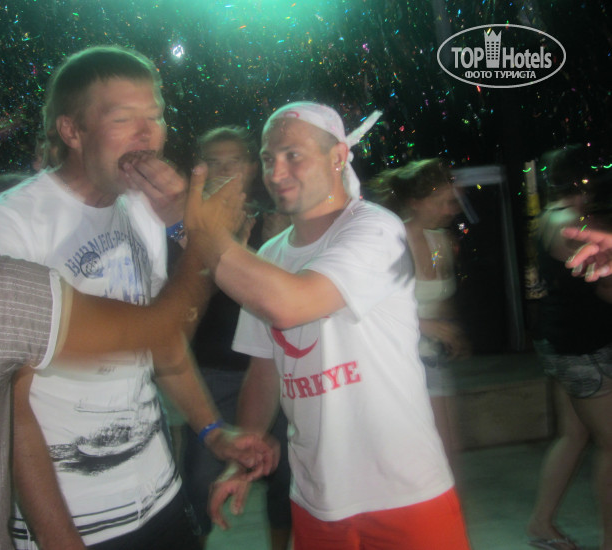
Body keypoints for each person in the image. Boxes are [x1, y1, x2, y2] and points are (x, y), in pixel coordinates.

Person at [0, 43, 272, 550]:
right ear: (71, 130)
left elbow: (161, 341)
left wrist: (212, 429)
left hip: (160, 493)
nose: (147, 132)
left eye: (155, 115)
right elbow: (10, 408)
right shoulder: (9, 224)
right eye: (123, 118)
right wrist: (59, 538)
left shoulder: (142, 210)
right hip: (78, 519)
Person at [185, 101, 470, 549]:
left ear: (337, 156)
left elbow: (291, 305)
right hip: (316, 498)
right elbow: (265, 368)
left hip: (402, 493)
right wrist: (246, 452)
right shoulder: (271, 255)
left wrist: (201, 230)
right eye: (267, 158)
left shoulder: (376, 230)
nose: (276, 172)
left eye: (293, 155)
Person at [176, 126, 292, 549]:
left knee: (288, 481)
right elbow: (176, 308)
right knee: (199, 481)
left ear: (251, 167)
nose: (224, 171)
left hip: (275, 370)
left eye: (234, 161)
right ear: (200, 168)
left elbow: (292, 299)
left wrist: (269, 246)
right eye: (214, 162)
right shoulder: (185, 226)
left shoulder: (280, 221)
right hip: (212, 371)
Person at [527, 146, 612, 550]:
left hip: (563, 339)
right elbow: (607, 289)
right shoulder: (570, 225)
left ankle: (541, 524)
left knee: (574, 436)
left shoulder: (551, 217)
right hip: (583, 347)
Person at [368, 158, 469, 470]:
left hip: (432, 357)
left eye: (452, 202)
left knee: (448, 451)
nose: (450, 210)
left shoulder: (440, 240)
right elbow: (371, 306)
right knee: (434, 454)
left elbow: (440, 298)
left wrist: (451, 331)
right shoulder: (391, 241)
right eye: (441, 202)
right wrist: (427, 325)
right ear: (414, 202)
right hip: (399, 360)